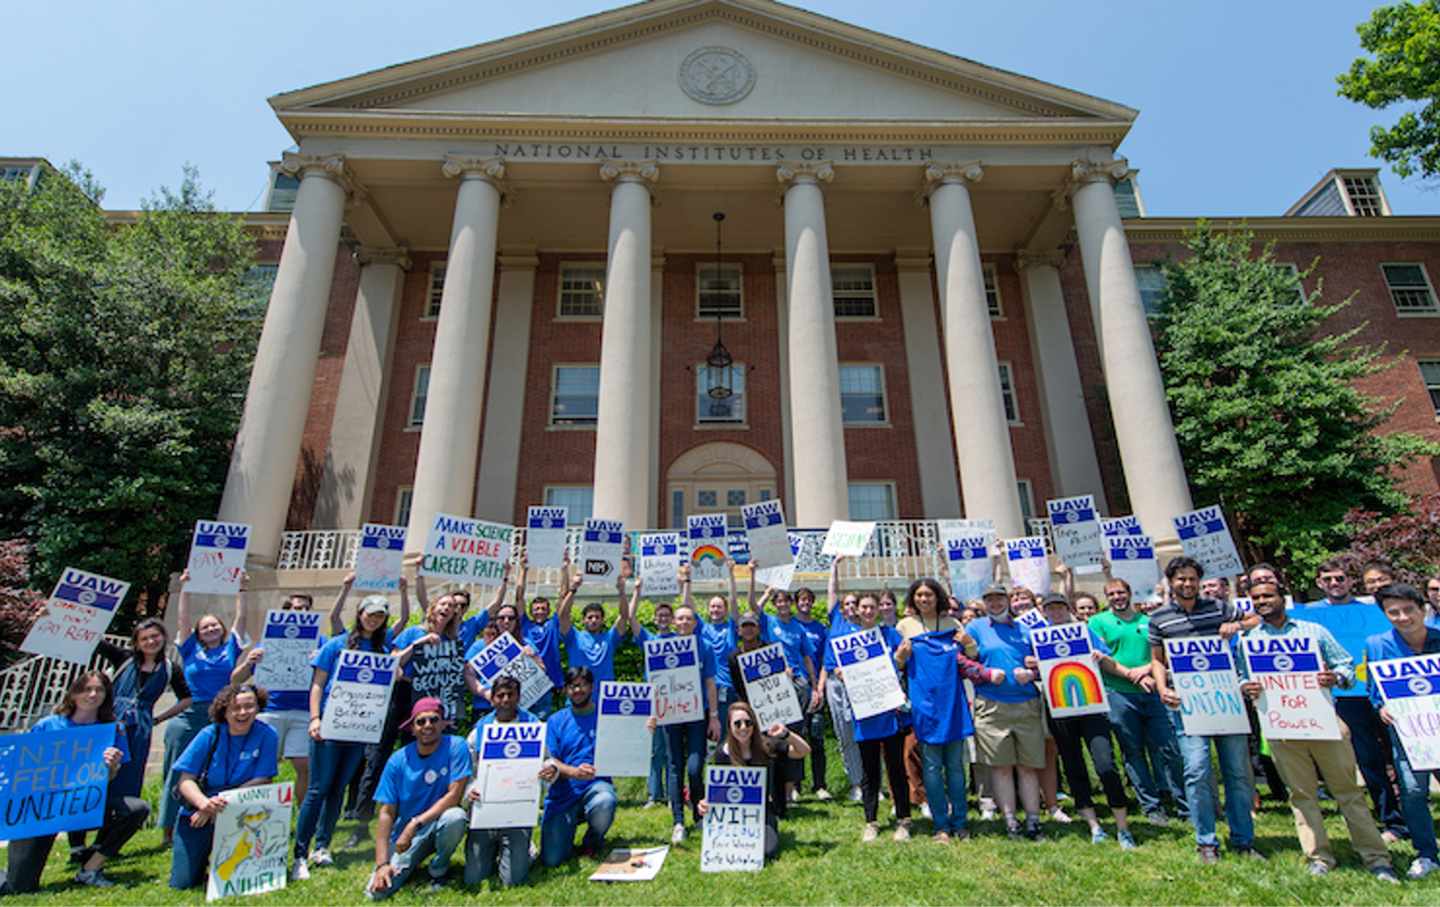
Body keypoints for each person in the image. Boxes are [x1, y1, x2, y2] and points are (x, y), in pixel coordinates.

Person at [1237, 579, 1398, 882]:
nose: (1262, 601)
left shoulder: (1313, 632)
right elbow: (1241, 678)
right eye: (1256, 598)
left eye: (1268, 596)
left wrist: (1334, 677)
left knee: (1348, 792)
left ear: (1281, 598)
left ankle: (1376, 858)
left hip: (1324, 723)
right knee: (1301, 795)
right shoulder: (1248, 641)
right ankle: (1319, 857)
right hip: (1282, 728)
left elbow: (1347, 667)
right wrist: (1246, 686)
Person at [1149, 556, 1262, 863]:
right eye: (1181, 579)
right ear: (1171, 582)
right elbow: (1157, 659)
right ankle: (1206, 841)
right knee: (1197, 770)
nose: (1187, 584)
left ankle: (1242, 840)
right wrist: (1162, 688)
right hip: (1187, 704)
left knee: (1237, 774)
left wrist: (1236, 625)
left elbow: (1258, 618)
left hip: (1227, 702)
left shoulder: (1219, 607)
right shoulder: (1159, 618)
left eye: (1192, 579)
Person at [293, 595, 410, 881]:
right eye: (370, 614)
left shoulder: (383, 649)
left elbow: (393, 677)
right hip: (330, 725)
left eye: (380, 615)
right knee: (318, 789)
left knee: (338, 789)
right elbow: (318, 684)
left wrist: (396, 671)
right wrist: (314, 718)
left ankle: (322, 846)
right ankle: (299, 853)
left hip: (359, 729)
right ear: (359, 614)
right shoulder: (337, 644)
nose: (374, 619)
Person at [1, 672, 148, 892]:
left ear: (106, 695)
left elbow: (108, 780)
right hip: (43, 807)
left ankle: (91, 868)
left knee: (138, 808)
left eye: (99, 690)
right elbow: (23, 767)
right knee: (18, 886)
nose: (92, 694)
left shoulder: (113, 729)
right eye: (86, 689)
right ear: (74, 693)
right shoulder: (49, 725)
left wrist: (111, 767)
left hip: (85, 802)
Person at [1298, 559, 1408, 843]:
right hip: (1347, 697)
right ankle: (1391, 821)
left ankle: (1413, 813)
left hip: (1387, 692)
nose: (1335, 584)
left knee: (1406, 756)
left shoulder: (1376, 610)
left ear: (1350, 581)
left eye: (1340, 578)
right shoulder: (1308, 616)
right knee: (1369, 759)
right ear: (1319, 583)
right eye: (1328, 579)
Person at [231, 580, 357, 806]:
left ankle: (301, 816)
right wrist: (249, 661)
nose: (303, 612)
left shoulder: (321, 642)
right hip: (272, 710)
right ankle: (261, 812)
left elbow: (338, 669)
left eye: (307, 608)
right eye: (298, 608)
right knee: (263, 768)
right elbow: (236, 679)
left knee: (304, 766)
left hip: (303, 712)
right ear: (286, 612)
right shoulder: (268, 641)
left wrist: (321, 659)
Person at [894, 577, 995, 842]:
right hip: (924, 705)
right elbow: (897, 666)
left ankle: (960, 822)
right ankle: (940, 824)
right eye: (918, 596)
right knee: (931, 769)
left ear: (937, 597)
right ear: (913, 599)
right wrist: (901, 658)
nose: (923, 599)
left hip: (953, 705)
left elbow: (970, 659)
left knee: (955, 768)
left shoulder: (953, 624)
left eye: (928, 595)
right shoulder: (904, 626)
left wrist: (969, 641)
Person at [1033, 592, 1135, 849]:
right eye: (1050, 609)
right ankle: (1094, 825)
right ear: (1044, 612)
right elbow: (1028, 665)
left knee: (1105, 764)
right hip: (1058, 707)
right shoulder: (1037, 637)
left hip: (1091, 704)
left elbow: (1107, 658)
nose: (1055, 613)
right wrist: (1031, 663)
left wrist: (1102, 658)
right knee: (1072, 763)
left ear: (1068, 609)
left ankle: (1122, 826)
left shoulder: (1085, 631)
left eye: (1059, 608)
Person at [159, 569, 251, 842]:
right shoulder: (189, 650)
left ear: (222, 630)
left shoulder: (231, 648)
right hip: (191, 714)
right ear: (198, 633)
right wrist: (185, 587)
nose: (211, 629)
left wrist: (242, 589)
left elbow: (241, 618)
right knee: (177, 770)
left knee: (213, 769)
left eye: (215, 625)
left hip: (223, 713)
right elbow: (182, 618)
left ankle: (211, 818)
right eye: (205, 627)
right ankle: (168, 829)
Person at [1088, 574, 1187, 826]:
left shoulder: (1148, 621)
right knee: (1133, 751)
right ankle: (1151, 806)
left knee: (1169, 748)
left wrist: (1147, 670)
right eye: (1111, 594)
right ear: (1106, 598)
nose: (1117, 598)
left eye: (1120, 593)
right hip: (1119, 693)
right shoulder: (1098, 622)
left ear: (1129, 594)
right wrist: (1132, 675)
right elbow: (1101, 657)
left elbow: (1161, 654)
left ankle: (1183, 804)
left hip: (1153, 692)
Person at [819, 591, 913, 842]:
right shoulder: (844, 639)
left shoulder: (890, 635)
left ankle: (904, 820)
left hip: (890, 710)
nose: (869, 611)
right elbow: (831, 665)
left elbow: (901, 665)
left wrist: (901, 658)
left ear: (879, 610)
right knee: (869, 770)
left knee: (895, 767)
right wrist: (839, 671)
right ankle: (871, 821)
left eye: (873, 607)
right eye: (865, 607)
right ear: (857, 611)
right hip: (864, 711)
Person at [169, 683, 280, 889]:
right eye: (235, 708)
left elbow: (264, 779)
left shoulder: (267, 734)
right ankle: (202, 862)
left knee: (239, 877)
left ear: (258, 707)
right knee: (183, 883)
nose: (243, 713)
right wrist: (204, 804)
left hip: (244, 811)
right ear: (224, 711)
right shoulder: (208, 735)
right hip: (200, 810)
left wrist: (222, 803)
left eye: (249, 706)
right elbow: (185, 780)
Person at [1366, 583, 1440, 880]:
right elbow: (1374, 690)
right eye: (1393, 612)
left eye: (1408, 610)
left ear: (1422, 609)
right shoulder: (1376, 644)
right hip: (1408, 733)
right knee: (1411, 791)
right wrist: (1380, 706)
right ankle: (1426, 854)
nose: (1402, 617)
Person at [643, 574, 722, 845]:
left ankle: (699, 816)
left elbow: (710, 682)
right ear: (674, 623)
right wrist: (653, 713)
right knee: (675, 766)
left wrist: (714, 716)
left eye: (690, 618)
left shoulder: (705, 646)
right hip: (670, 715)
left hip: (698, 715)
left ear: (695, 623)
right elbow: (654, 685)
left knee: (694, 766)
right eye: (681, 618)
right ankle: (678, 821)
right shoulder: (658, 648)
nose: (685, 622)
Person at [365, 697, 471, 898]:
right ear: (412, 728)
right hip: (405, 838)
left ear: (442, 723)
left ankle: (438, 870)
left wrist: (415, 823)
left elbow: (454, 795)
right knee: (375, 893)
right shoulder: (397, 761)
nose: (428, 725)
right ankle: (407, 863)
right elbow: (386, 813)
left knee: (455, 816)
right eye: (420, 721)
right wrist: (382, 863)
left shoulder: (457, 746)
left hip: (435, 824)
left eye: (433, 719)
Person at [964, 583, 1046, 839]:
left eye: (1000, 599)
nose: (995, 604)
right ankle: (1010, 821)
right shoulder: (974, 628)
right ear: (984, 603)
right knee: (1000, 767)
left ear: (1008, 600)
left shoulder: (1026, 629)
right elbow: (964, 662)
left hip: (1026, 705)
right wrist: (985, 674)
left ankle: (1033, 821)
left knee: (1028, 766)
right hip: (991, 706)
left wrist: (1033, 673)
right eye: (990, 600)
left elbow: (1049, 662)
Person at [697, 702, 812, 861]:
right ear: (730, 727)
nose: (743, 727)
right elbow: (720, 789)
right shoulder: (723, 753)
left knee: (766, 850)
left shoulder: (767, 745)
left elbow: (804, 751)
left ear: (754, 724)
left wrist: (786, 734)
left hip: (762, 813)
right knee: (716, 840)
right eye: (737, 723)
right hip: (734, 815)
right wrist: (706, 802)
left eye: (748, 722)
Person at [463, 677, 538, 888]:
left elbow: (548, 760)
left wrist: (550, 769)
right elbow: (467, 771)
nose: (505, 699)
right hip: (486, 809)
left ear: (518, 697)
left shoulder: (532, 724)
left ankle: (525, 848)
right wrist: (470, 790)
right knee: (473, 878)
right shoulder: (480, 730)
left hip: (518, 810)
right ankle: (494, 848)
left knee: (512, 881)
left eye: (510, 695)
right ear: (492, 699)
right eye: (500, 695)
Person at [538, 667, 617, 865]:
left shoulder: (607, 716)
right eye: (572, 686)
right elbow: (550, 760)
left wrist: (646, 727)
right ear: (565, 690)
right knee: (552, 861)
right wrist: (574, 772)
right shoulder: (556, 721)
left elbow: (629, 737)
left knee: (605, 800)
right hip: (563, 793)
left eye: (582, 685)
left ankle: (592, 841)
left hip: (595, 786)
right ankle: (565, 830)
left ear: (591, 687)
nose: (577, 690)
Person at [753, 585, 818, 803]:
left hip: (798, 684)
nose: (782, 605)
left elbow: (807, 657)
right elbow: (754, 608)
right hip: (773, 686)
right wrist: (767, 593)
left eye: (785, 601)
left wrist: (814, 685)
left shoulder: (798, 628)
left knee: (793, 736)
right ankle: (773, 789)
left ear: (791, 604)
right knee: (771, 736)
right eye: (778, 601)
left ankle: (792, 789)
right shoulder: (769, 622)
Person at [819, 558, 867, 802]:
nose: (849, 607)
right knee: (844, 733)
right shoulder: (836, 621)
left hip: (860, 685)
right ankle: (856, 782)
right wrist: (834, 567)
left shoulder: (866, 629)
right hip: (836, 685)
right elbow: (832, 592)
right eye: (846, 603)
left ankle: (871, 781)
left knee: (865, 732)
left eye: (853, 604)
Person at [392, 584, 468, 735]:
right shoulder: (413, 632)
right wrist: (418, 644)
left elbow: (451, 680)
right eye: (443, 604)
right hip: (404, 692)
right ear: (433, 608)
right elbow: (394, 661)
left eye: (451, 606)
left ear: (454, 614)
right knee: (388, 740)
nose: (446, 608)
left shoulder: (451, 642)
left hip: (431, 698)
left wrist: (450, 711)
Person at [629, 588, 675, 809]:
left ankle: (672, 794)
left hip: (675, 700)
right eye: (660, 616)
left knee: (672, 750)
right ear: (655, 619)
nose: (663, 619)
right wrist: (637, 591)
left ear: (672, 619)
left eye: (667, 615)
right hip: (652, 701)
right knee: (654, 750)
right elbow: (630, 618)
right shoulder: (648, 638)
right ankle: (654, 794)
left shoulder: (680, 639)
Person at [558, 567, 635, 684]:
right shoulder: (574, 637)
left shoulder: (610, 638)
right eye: (589, 617)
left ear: (603, 620)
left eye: (597, 617)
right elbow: (563, 616)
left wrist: (621, 591)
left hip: (604, 698)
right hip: (577, 697)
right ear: (583, 620)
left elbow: (624, 616)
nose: (593, 620)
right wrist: (573, 589)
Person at [792, 585, 832, 800]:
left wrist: (819, 688)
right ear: (796, 602)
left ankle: (820, 785)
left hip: (815, 688)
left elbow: (826, 661)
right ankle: (796, 785)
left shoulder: (820, 629)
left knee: (816, 737)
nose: (805, 603)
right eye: (801, 600)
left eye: (809, 600)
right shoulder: (791, 625)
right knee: (796, 736)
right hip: (795, 690)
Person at [514, 557, 565, 717]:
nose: (540, 611)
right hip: (528, 684)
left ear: (548, 611)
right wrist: (523, 570)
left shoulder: (554, 624)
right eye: (536, 609)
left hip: (549, 684)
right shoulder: (525, 625)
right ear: (531, 611)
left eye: (543, 608)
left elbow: (563, 597)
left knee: (544, 727)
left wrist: (565, 569)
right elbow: (519, 597)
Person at [698, 557, 743, 713]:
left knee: (724, 733)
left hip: (726, 688)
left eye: (719, 606)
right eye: (712, 606)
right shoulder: (702, 628)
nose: (715, 610)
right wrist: (685, 581)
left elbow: (734, 600)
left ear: (725, 610)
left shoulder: (731, 627)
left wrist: (731, 574)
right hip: (704, 688)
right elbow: (687, 605)